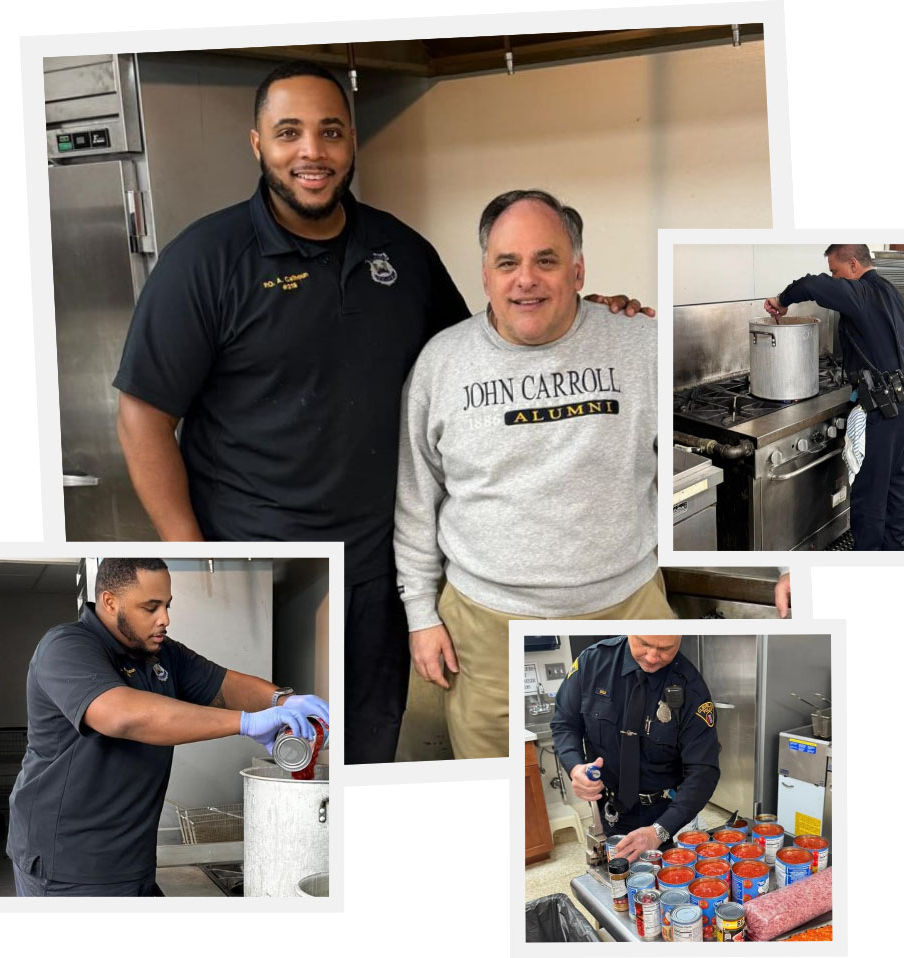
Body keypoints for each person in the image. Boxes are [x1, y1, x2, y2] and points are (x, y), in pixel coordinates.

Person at [113, 62, 649, 765]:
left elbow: (482, 353)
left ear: (351, 143)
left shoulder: (401, 253)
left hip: (376, 558)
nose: (312, 151)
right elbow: (143, 415)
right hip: (259, 549)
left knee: (364, 737)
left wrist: (586, 312)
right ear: (257, 144)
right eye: (289, 133)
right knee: (267, 736)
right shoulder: (205, 262)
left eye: (330, 132)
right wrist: (190, 553)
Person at [394, 189, 669, 761]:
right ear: (486, 276)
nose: (527, 279)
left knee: (646, 766)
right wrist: (421, 615)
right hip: (485, 627)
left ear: (577, 270)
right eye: (507, 263)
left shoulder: (643, 344)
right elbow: (416, 501)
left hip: (628, 606)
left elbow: (695, 459)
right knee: (503, 798)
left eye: (546, 260)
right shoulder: (441, 363)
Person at [6, 558, 329, 897]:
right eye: (150, 607)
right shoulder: (66, 646)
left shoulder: (161, 653)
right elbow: (120, 714)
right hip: (67, 862)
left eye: (167, 605)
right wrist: (246, 723)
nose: (165, 619)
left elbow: (223, 684)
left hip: (133, 857)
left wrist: (282, 700)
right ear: (109, 601)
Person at [763, 244, 904, 550]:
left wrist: (781, 300)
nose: (835, 277)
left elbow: (811, 284)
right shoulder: (891, 291)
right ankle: (893, 552)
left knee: (869, 495)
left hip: (885, 409)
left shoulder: (860, 292)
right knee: (895, 483)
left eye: (836, 271)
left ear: (852, 264)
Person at [550, 634, 720, 864]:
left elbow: (703, 770)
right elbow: (565, 724)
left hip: (666, 815)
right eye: (644, 644)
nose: (651, 657)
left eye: (665, 648)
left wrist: (659, 831)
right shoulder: (593, 662)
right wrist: (575, 767)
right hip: (610, 808)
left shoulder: (691, 688)